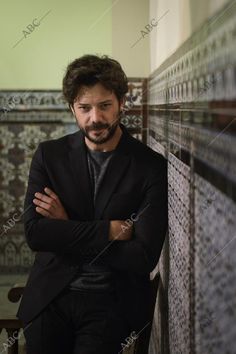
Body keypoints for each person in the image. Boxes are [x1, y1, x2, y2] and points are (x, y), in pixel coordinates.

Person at [16, 54, 168, 354]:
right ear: (72, 107)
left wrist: (66, 226)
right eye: (84, 108)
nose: (95, 118)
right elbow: (35, 234)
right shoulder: (49, 156)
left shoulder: (149, 166)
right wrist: (109, 230)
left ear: (122, 103)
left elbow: (143, 257)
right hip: (51, 296)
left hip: (111, 303)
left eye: (105, 106)